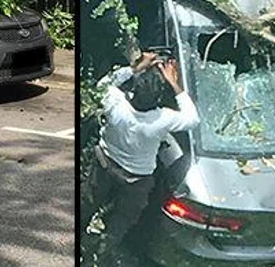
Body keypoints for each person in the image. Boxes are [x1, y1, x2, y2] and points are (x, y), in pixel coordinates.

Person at [81, 50, 200, 260]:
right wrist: (175, 83)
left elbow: (103, 84)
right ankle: (101, 250)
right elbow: (192, 119)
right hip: (137, 180)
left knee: (88, 202)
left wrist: (136, 67)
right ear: (159, 97)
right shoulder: (163, 119)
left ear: (134, 90)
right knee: (123, 219)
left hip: (105, 166)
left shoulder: (115, 102)